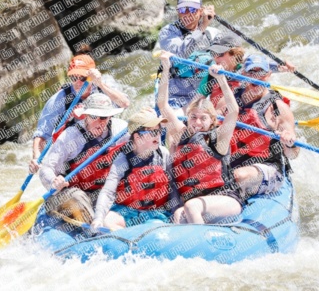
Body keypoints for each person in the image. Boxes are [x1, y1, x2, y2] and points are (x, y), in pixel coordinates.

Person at [157, 50, 243, 224]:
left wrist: (221, 79)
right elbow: (162, 104)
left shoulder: (218, 138)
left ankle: (201, 240)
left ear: (212, 120)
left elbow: (233, 111)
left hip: (224, 200)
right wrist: (166, 68)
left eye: (203, 118)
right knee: (178, 215)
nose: (197, 122)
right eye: (193, 117)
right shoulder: (181, 133)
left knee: (190, 207)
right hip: (193, 203)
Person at [217, 54, 301, 199]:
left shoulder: (278, 108)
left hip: (267, 166)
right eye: (251, 72)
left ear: (268, 75)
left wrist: (290, 143)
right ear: (243, 74)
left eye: (261, 72)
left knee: (240, 175)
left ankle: (230, 199)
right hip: (232, 161)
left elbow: (293, 155)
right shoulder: (227, 101)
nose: (256, 77)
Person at [30, 54, 129, 173]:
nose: (77, 83)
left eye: (82, 78)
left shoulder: (103, 88)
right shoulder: (60, 98)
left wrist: (100, 83)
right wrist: (36, 158)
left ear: (92, 76)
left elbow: (125, 104)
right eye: (73, 78)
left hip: (102, 147)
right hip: (73, 152)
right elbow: (42, 133)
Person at [38, 93, 129, 224]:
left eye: (103, 117)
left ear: (110, 116)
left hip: (102, 191)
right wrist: (53, 181)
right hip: (72, 193)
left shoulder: (121, 130)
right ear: (86, 115)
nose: (99, 122)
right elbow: (46, 167)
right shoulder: (70, 137)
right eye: (94, 116)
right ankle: (96, 228)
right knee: (77, 197)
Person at [91, 108, 175, 231]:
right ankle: (127, 239)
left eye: (159, 131)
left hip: (155, 213)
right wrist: (98, 218)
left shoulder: (163, 154)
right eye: (152, 132)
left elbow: (173, 188)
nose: (158, 135)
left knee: (155, 226)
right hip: (126, 212)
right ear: (137, 137)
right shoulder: (123, 158)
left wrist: (175, 212)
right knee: (107, 220)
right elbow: (108, 192)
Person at [157, 0, 220, 110]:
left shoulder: (213, 34)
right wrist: (202, 27)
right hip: (175, 95)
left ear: (201, 11)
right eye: (183, 9)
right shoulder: (168, 32)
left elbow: (229, 59)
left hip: (204, 96)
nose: (187, 14)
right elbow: (181, 54)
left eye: (192, 9)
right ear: (178, 12)